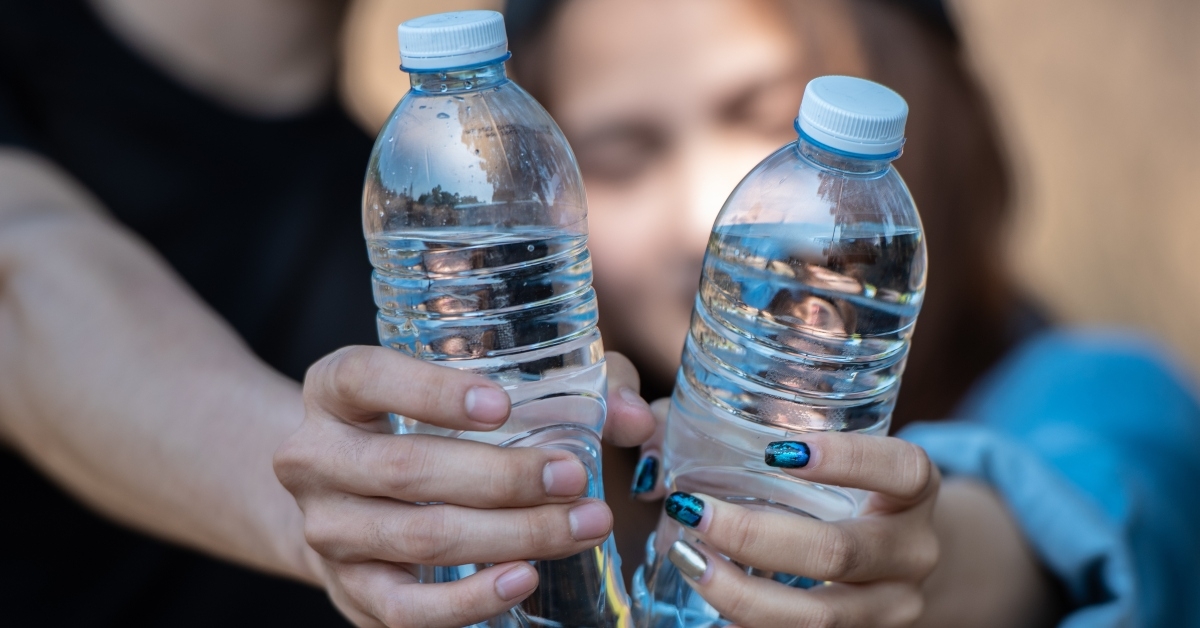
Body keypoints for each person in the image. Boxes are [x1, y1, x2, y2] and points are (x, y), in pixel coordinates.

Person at [1, 2, 1197, 628]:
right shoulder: (564, 503)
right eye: (620, 152)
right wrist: (380, 513)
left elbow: (1113, 497)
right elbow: (38, 284)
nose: (696, 214)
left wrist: (904, 555)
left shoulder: (1092, 384)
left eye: (760, 113)